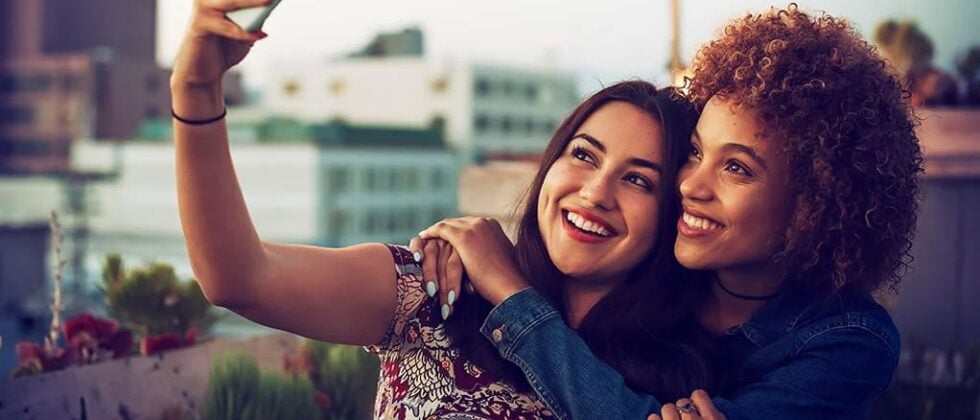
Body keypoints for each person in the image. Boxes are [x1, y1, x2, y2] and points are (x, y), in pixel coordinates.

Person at [170, 0, 710, 417]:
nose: (595, 192)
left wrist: (511, 290)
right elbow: (239, 278)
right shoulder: (440, 291)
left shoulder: (676, 390)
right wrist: (196, 89)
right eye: (584, 155)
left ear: (673, 214)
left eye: (638, 179)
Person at [416, 4, 922, 419]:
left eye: (737, 169)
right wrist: (465, 256)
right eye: (696, 152)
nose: (689, 184)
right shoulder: (662, 269)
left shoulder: (848, 341)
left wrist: (512, 295)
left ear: (812, 207)